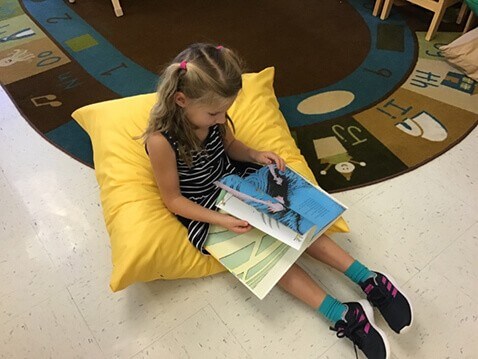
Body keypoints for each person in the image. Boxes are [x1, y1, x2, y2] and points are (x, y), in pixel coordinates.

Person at [142, 43, 413, 359]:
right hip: (206, 209)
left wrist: (255, 154)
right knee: (269, 259)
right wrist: (221, 219)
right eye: (214, 113)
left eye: (224, 111)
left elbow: (231, 146)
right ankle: (342, 314)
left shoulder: (215, 118)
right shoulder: (161, 142)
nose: (220, 119)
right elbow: (173, 199)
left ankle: (370, 279)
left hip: (237, 182)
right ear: (180, 100)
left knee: (300, 226)